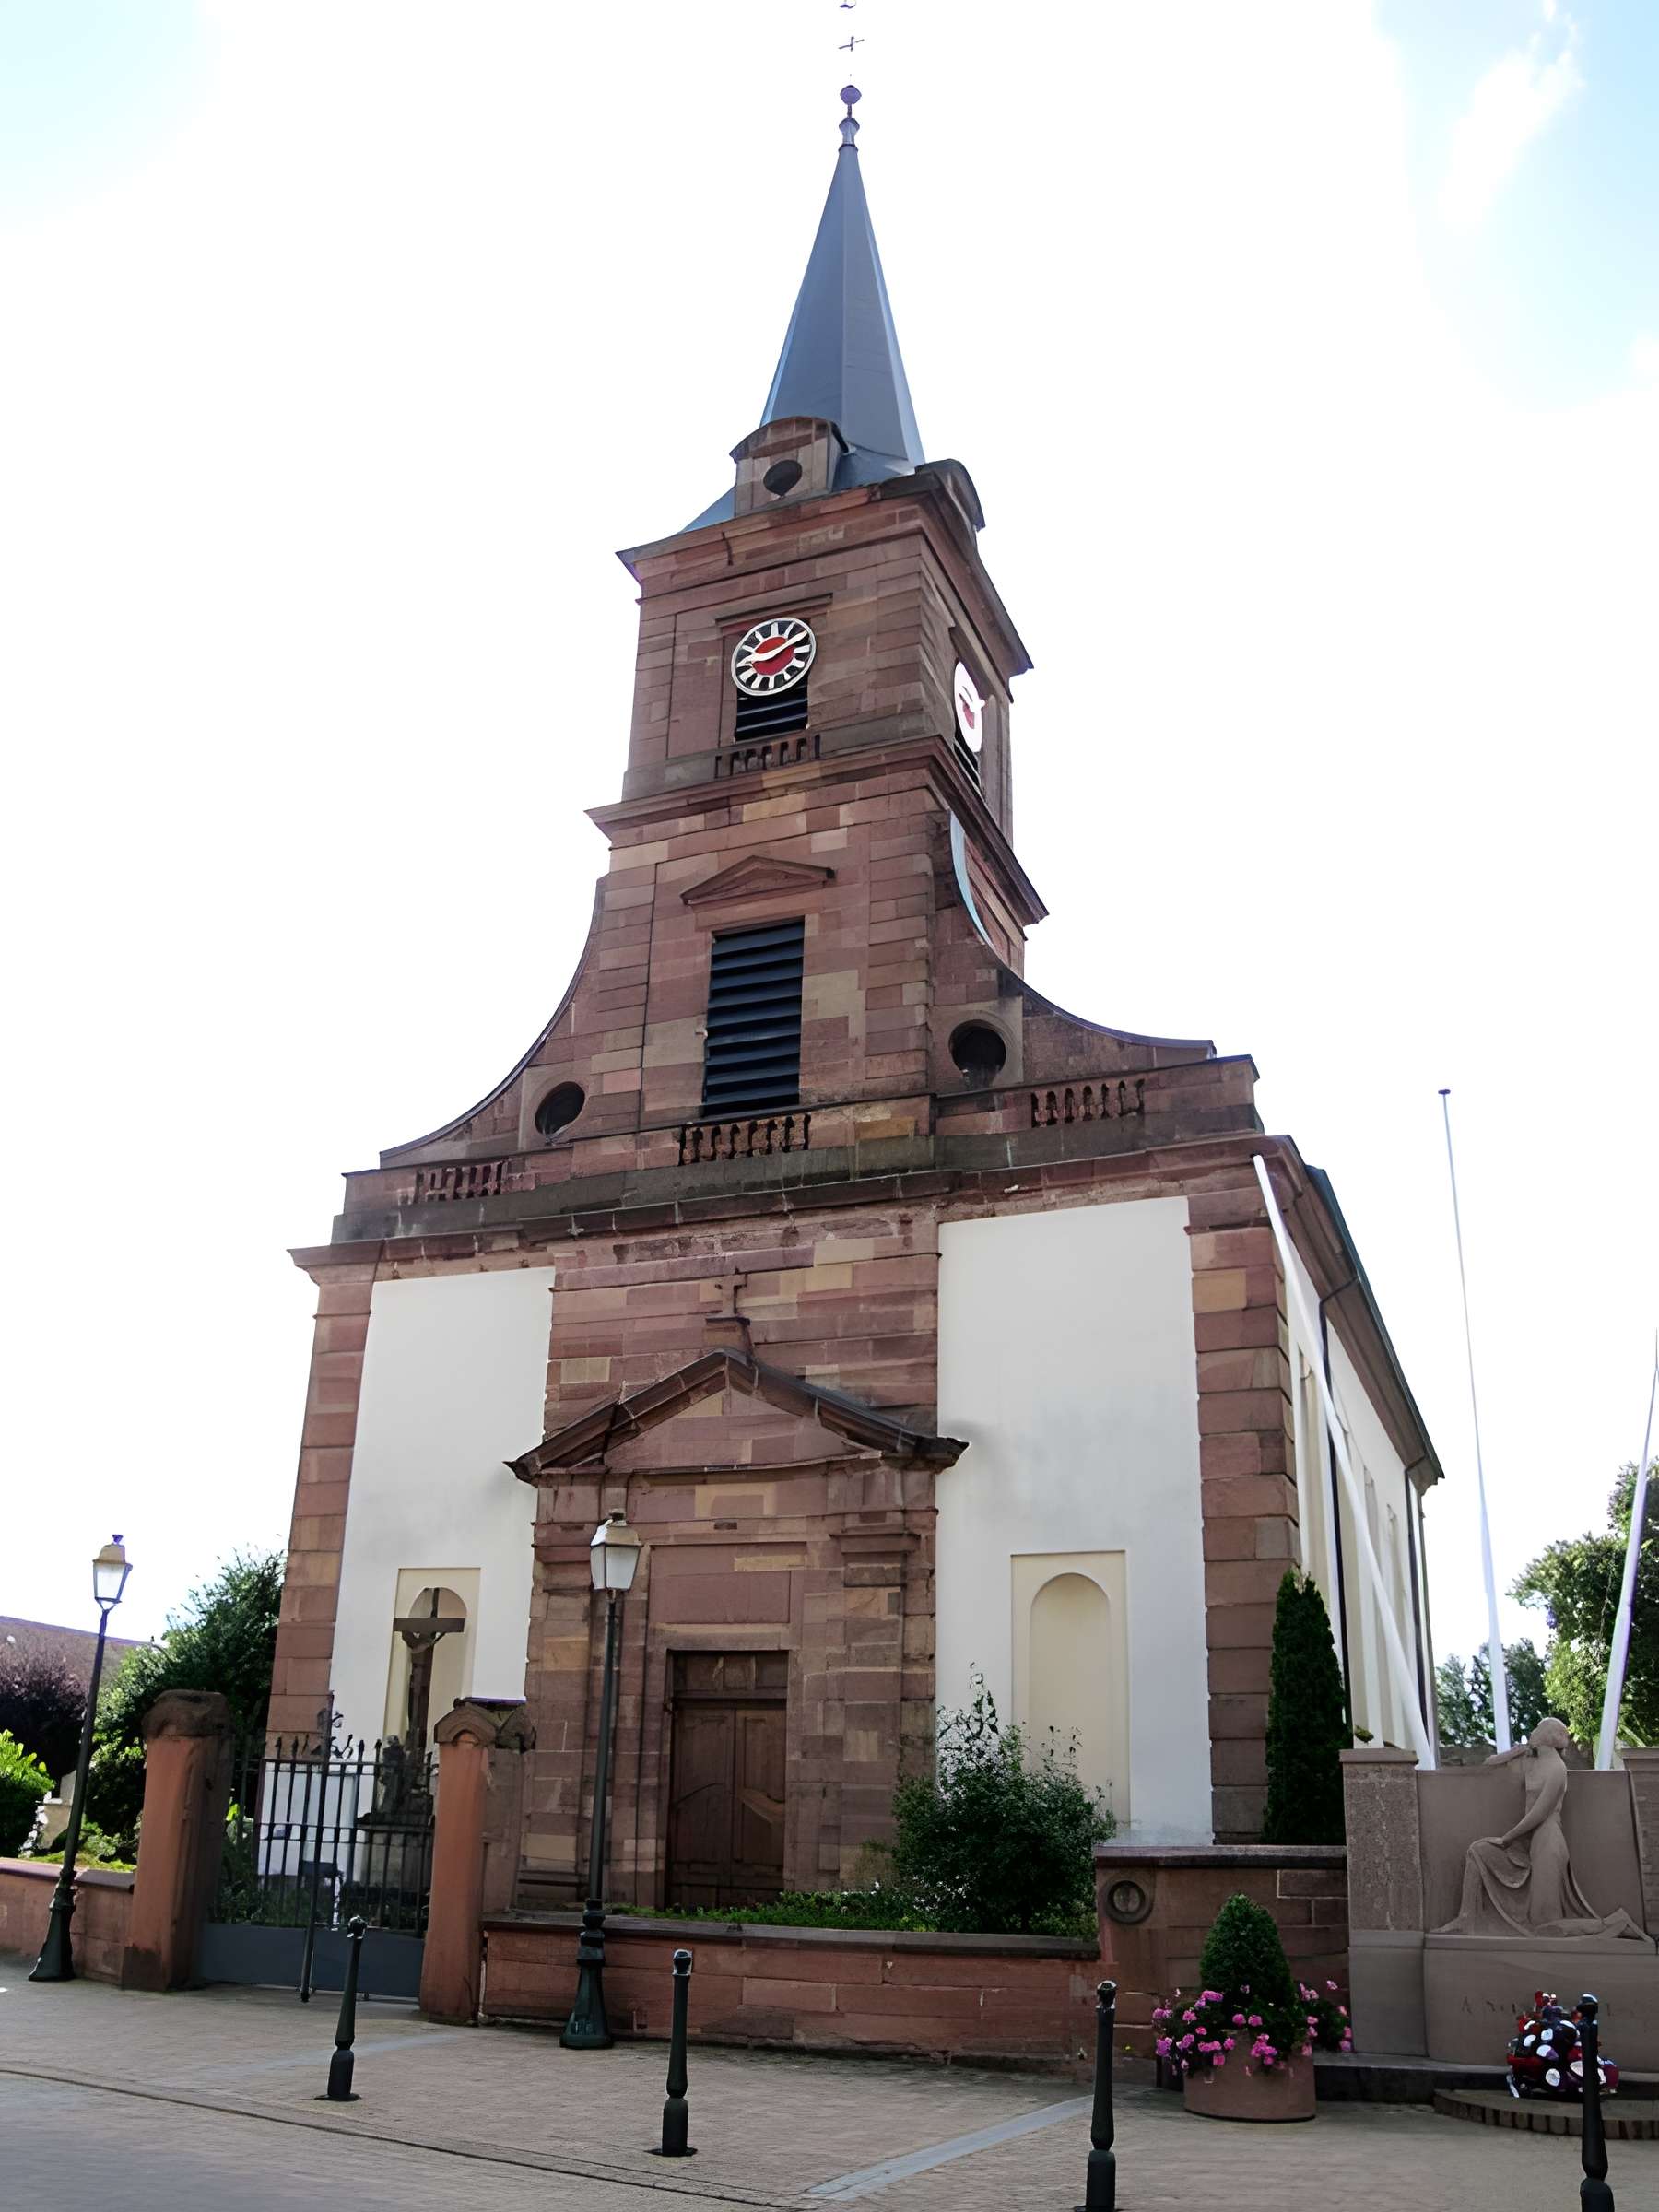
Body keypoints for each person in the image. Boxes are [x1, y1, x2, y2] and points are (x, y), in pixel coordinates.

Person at [1439, 1716, 1647, 1940]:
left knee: (1545, 1925)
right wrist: (1516, 1751)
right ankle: (1466, 1918)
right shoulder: (1532, 1762)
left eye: (1538, 1728)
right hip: (1528, 1841)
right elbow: (1490, 1763)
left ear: (1550, 1736)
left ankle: (1615, 1924)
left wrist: (1507, 1838)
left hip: (1547, 1843)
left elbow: (1540, 1812)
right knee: (1478, 1851)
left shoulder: (1557, 1770)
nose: (1533, 1731)